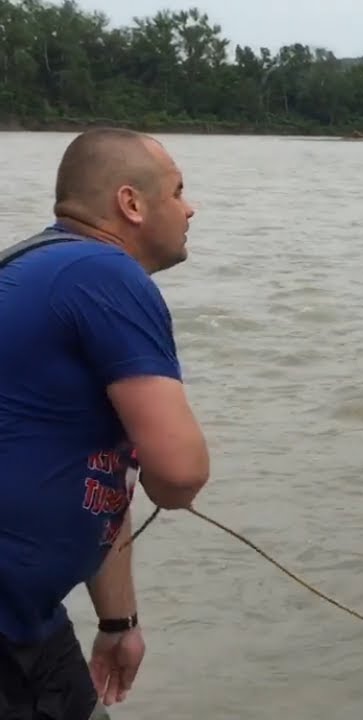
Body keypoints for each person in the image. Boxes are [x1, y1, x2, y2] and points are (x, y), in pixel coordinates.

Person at [0, 127, 211, 719]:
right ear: (131, 204)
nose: (190, 208)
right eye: (178, 191)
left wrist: (119, 621)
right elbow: (179, 472)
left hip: (30, 620)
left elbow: (102, 474)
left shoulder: (46, 263)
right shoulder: (104, 273)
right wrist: (171, 482)